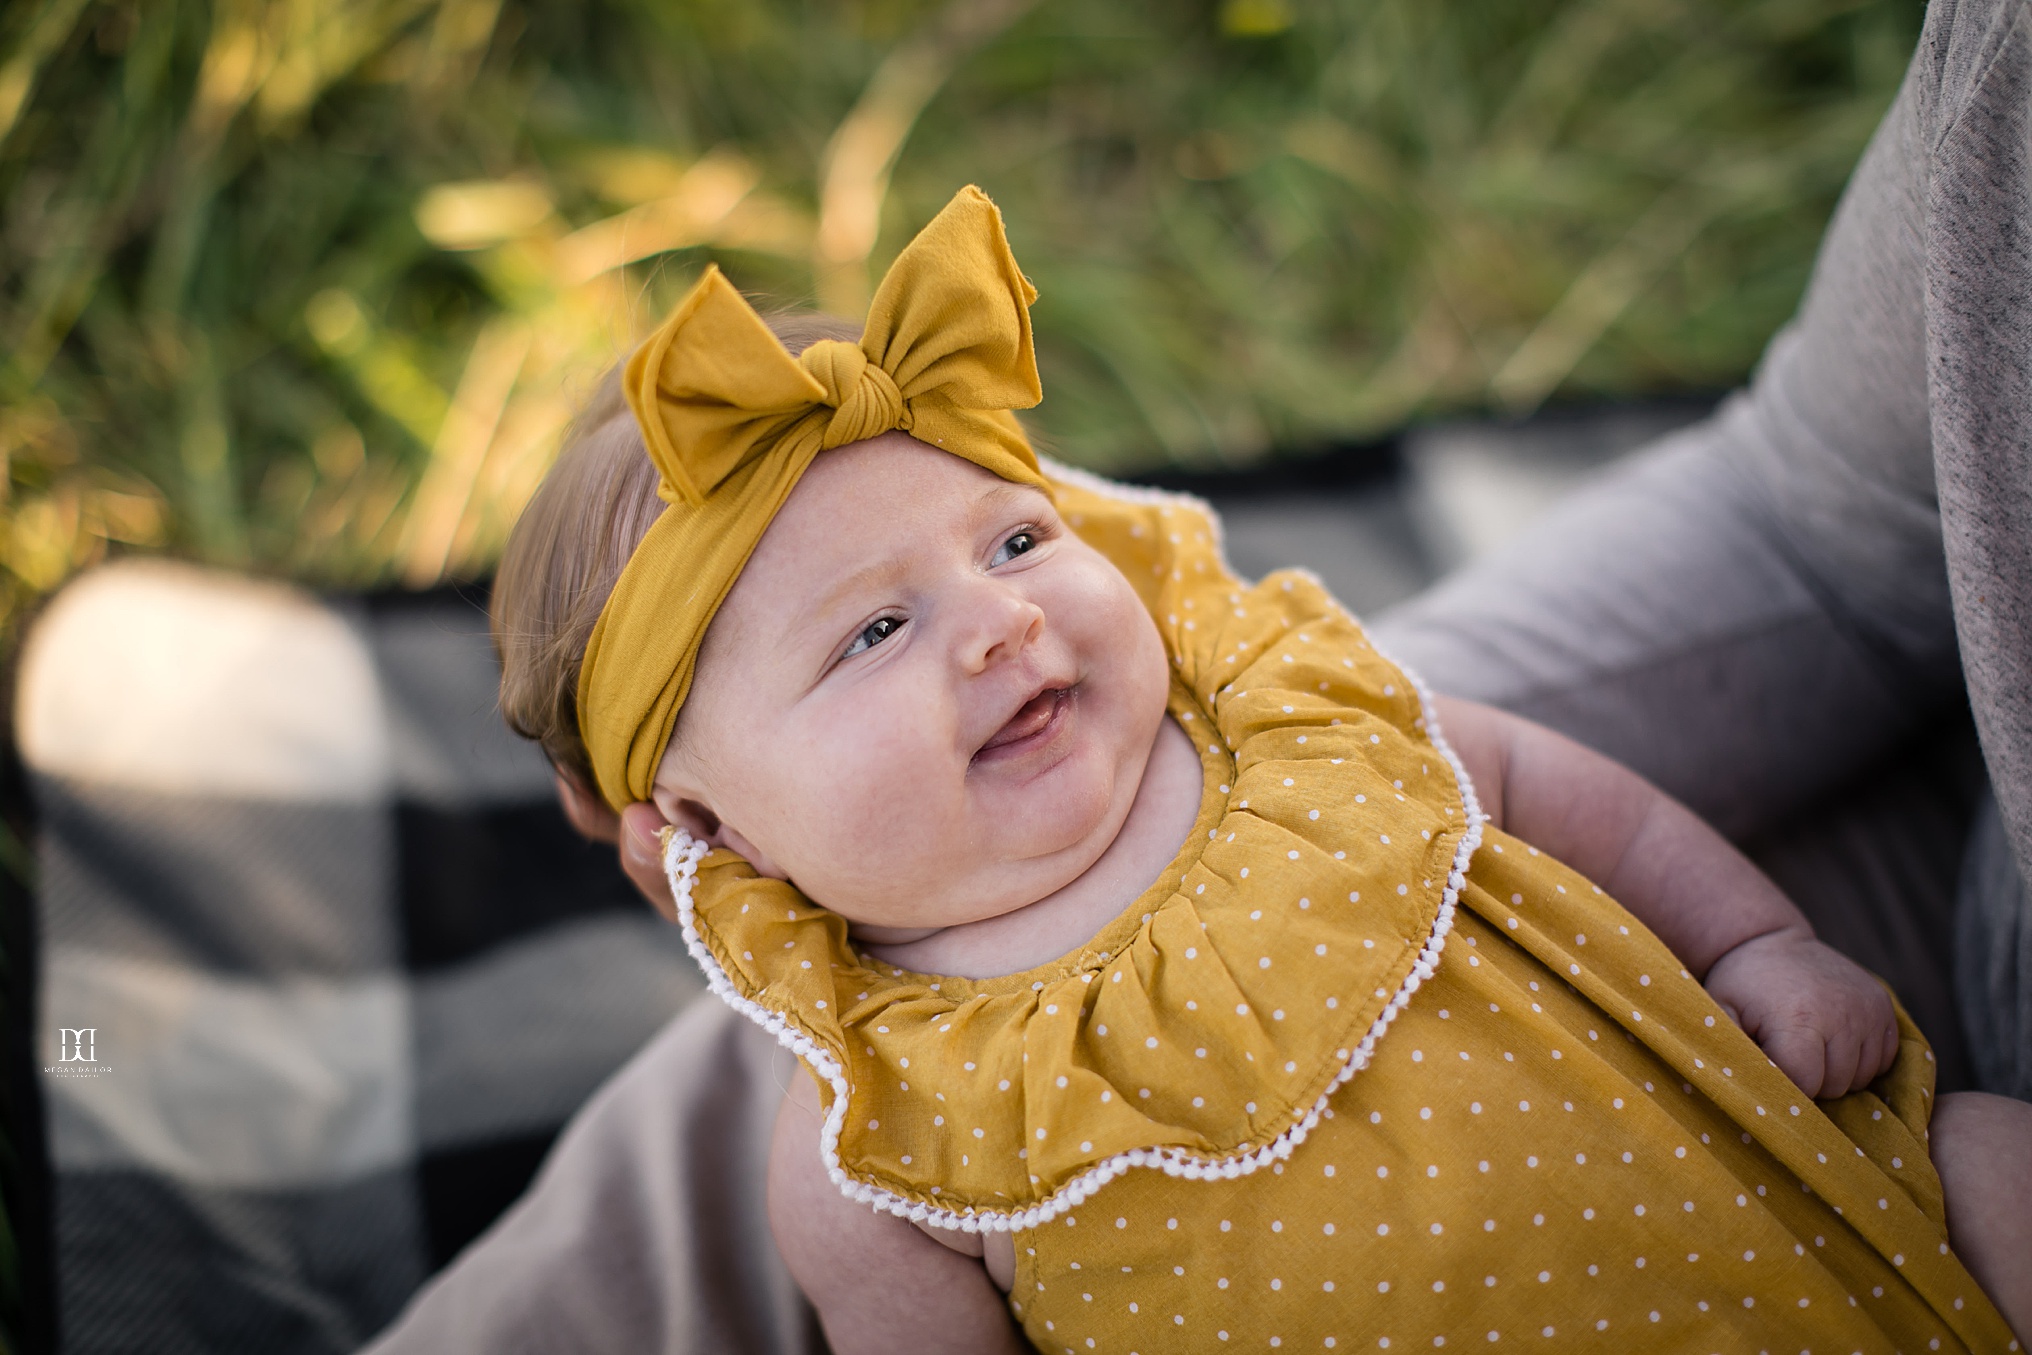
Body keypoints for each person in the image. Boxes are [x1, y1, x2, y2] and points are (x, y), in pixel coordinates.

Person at [361, 1, 2032, 1348]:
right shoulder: (869, 1157)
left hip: (1805, 1230)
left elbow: (1547, 788)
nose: (1002, 621)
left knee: (1998, 1171)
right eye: (873, 633)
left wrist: (1757, 942)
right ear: (700, 829)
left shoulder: (1296, 731)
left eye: (1015, 541)